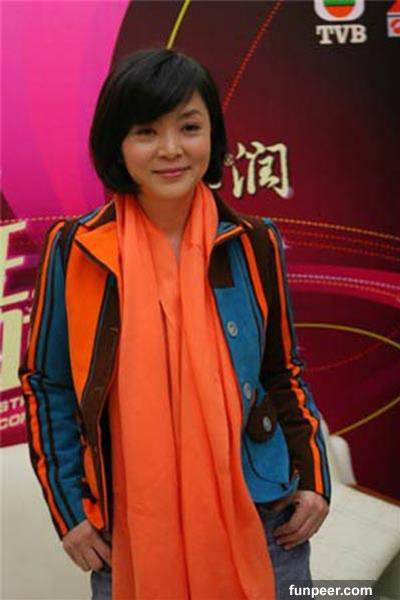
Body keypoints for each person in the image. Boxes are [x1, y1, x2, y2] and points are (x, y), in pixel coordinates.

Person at [19, 47, 331, 600]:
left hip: (263, 518)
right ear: (117, 143)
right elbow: (49, 385)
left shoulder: (253, 242)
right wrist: (69, 511)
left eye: (189, 127)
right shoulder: (77, 249)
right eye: (146, 131)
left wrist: (314, 478)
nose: (171, 150)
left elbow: (282, 371)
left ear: (213, 136)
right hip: (128, 532)